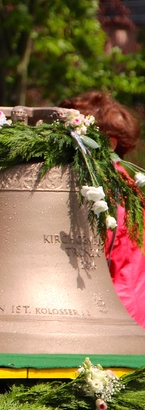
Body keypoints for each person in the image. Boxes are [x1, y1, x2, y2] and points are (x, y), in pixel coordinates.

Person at [59, 90, 145, 327]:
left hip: (117, 312)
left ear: (109, 143)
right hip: (124, 307)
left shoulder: (108, 189)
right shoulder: (123, 182)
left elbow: (97, 247)